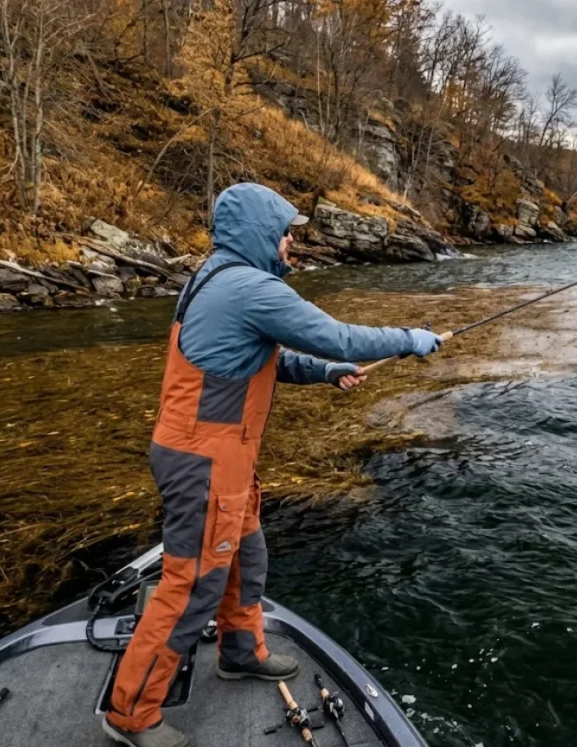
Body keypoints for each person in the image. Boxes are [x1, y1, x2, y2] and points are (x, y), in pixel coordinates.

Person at [102, 183, 443, 747]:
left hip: (221, 458)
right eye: (286, 232)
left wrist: (327, 372)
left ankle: (241, 653)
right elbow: (339, 335)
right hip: (204, 460)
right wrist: (410, 338)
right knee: (190, 590)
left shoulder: (217, 276)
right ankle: (130, 715)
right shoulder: (247, 286)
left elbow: (269, 358)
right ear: (261, 233)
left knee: (248, 556)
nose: (292, 243)